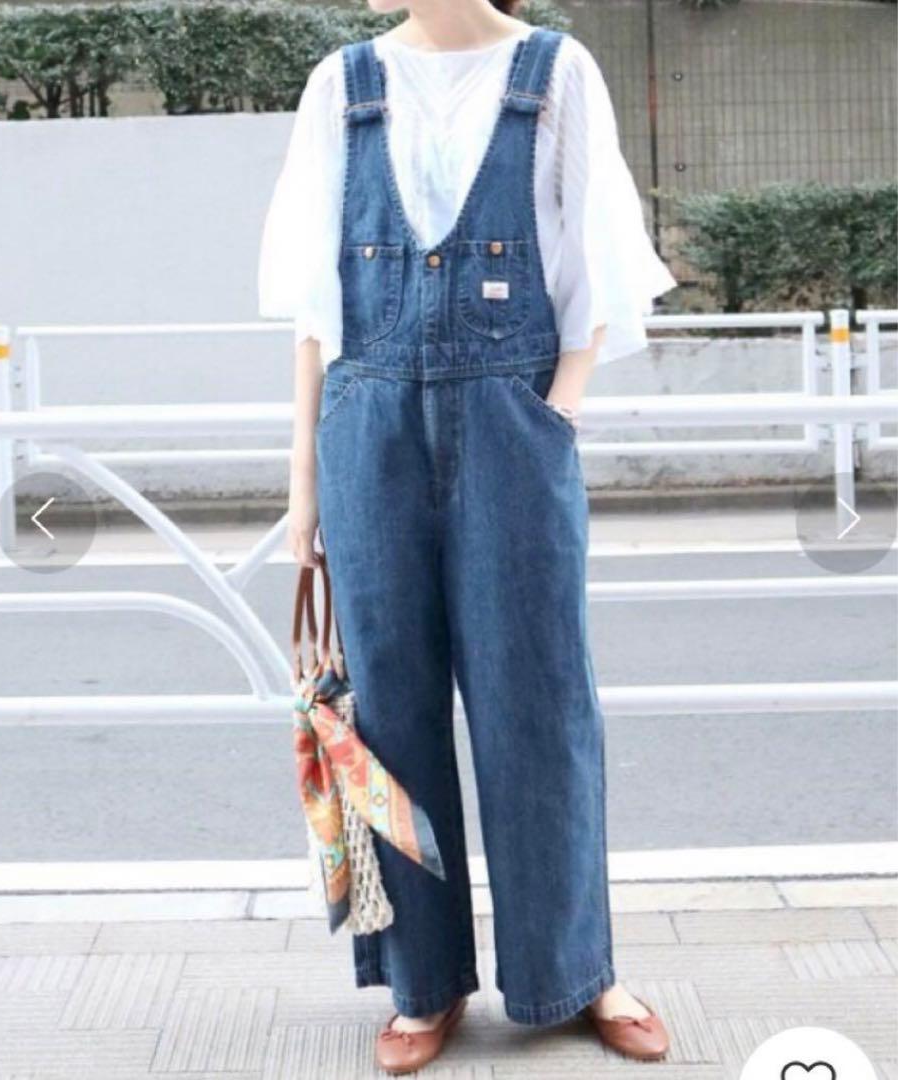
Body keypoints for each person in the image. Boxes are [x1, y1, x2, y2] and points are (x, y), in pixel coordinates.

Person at [259, 0, 678, 1072]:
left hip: (512, 431)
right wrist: (304, 486)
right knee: (390, 712)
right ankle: (423, 981)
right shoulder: (340, 86)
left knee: (540, 702)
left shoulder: (557, 73)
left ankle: (576, 971)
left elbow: (598, 273)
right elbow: (314, 309)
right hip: (367, 434)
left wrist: (553, 416)